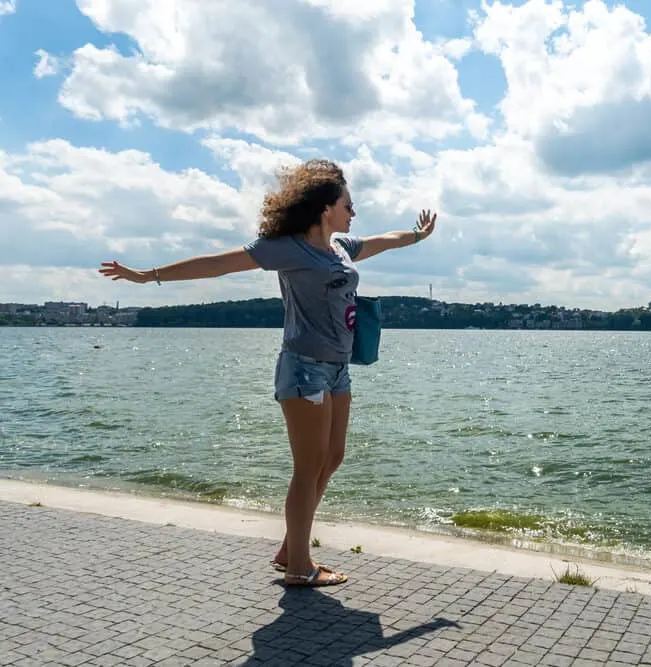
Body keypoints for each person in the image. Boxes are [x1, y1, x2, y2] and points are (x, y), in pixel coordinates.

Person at [98, 159, 437, 587]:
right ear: (324, 206)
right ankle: (299, 567)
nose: (353, 212)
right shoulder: (287, 249)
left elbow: (382, 241)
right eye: (348, 204)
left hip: (337, 369)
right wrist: (147, 277)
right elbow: (217, 264)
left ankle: (290, 547)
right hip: (304, 370)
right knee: (308, 465)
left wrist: (418, 235)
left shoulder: (339, 247)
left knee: (332, 458)